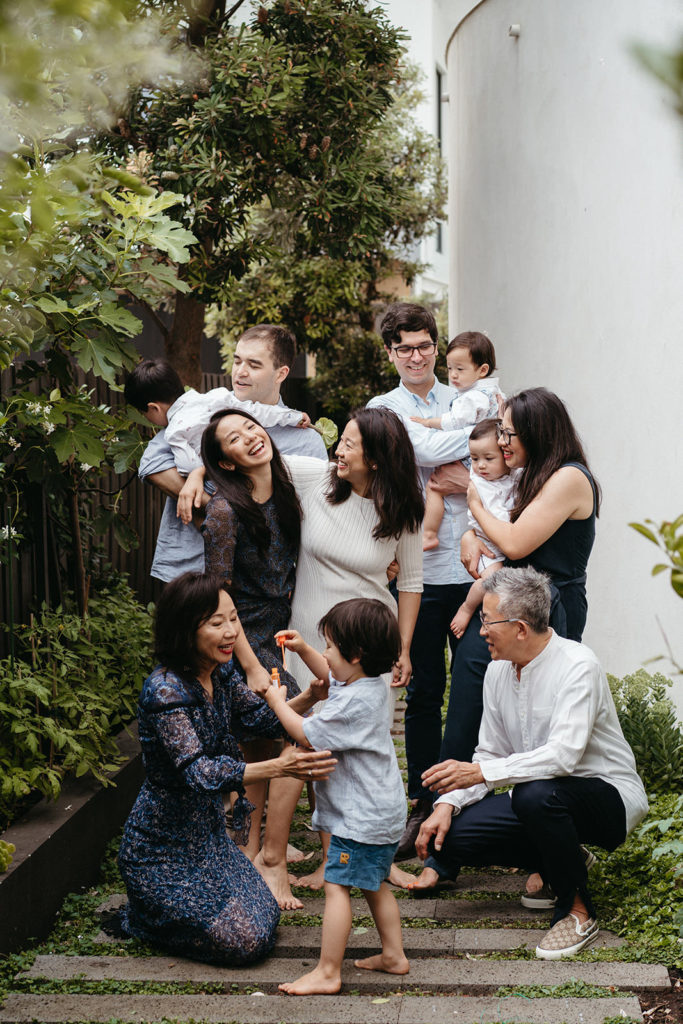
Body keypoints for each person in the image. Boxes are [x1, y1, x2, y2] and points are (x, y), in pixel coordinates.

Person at [179, 405, 424, 908]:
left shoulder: (403, 507)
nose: (339, 450)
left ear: (376, 459)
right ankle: (309, 855)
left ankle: (373, 857)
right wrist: (199, 471)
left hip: (365, 641)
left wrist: (403, 647)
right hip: (304, 632)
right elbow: (246, 460)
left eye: (351, 444)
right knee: (311, 744)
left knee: (364, 747)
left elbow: (413, 583)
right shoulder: (317, 478)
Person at [414, 567, 648, 960]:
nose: (481, 629)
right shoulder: (497, 672)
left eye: (486, 620)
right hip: (542, 796)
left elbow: (563, 756)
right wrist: (446, 805)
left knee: (534, 794)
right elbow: (489, 753)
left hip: (608, 798)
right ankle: (566, 859)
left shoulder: (578, 665)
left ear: (520, 628)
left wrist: (480, 772)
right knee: (455, 836)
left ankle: (578, 912)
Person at [117, 572, 337, 964]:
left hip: (208, 841)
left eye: (233, 618)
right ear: (185, 629)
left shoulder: (220, 673)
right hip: (159, 851)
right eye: (216, 622)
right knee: (245, 942)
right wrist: (279, 767)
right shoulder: (165, 690)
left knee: (267, 913)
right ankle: (145, 918)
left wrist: (308, 697)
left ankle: (170, 916)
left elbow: (262, 720)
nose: (230, 631)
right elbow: (199, 773)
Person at [367, 302, 484, 861]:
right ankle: (421, 795)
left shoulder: (467, 392)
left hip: (478, 569)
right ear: (389, 353)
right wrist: (467, 458)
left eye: (424, 346)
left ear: (437, 347)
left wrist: (467, 468)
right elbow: (433, 452)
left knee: (473, 688)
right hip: (417, 568)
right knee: (422, 690)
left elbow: (501, 454)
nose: (417, 356)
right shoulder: (382, 409)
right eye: (404, 348)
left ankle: (464, 794)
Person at [265, 599, 409, 995]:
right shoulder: (368, 684)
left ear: (356, 654)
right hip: (380, 813)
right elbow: (335, 674)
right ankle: (394, 955)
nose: (324, 653)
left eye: (328, 645)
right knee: (374, 882)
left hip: (359, 818)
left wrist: (278, 701)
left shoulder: (354, 704)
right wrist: (304, 650)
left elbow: (305, 733)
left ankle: (328, 971)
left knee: (336, 886)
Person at [132, 324, 326, 584]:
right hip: (192, 568)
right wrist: (205, 500)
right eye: (237, 361)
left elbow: (313, 519)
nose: (241, 373)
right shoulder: (207, 410)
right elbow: (152, 462)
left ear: (281, 373)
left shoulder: (306, 441)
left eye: (254, 365)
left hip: (264, 582)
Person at [464, 387, 600, 643]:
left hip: (548, 611)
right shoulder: (528, 473)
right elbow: (501, 524)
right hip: (514, 602)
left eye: (507, 434)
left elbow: (514, 543)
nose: (501, 441)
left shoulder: (569, 477)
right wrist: (470, 536)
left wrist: (476, 507)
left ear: (536, 434)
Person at [124, 357, 310, 476]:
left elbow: (189, 469)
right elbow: (256, 411)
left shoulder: (174, 432)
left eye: (144, 413)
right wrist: (292, 416)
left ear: (154, 408)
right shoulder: (218, 396)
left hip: (226, 478)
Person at [410, 331, 503, 552]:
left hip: (472, 459)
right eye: (450, 368)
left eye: (460, 369)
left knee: (435, 486)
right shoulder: (495, 393)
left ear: (482, 370)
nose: (453, 375)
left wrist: (428, 422)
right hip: (490, 458)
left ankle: (429, 534)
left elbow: (453, 422)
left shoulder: (470, 398)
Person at [449, 419, 517, 639]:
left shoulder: (509, 476)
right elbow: (499, 518)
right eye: (474, 459)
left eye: (489, 458)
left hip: (500, 544)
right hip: (489, 545)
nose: (480, 466)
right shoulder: (481, 484)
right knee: (491, 580)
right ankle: (467, 608)